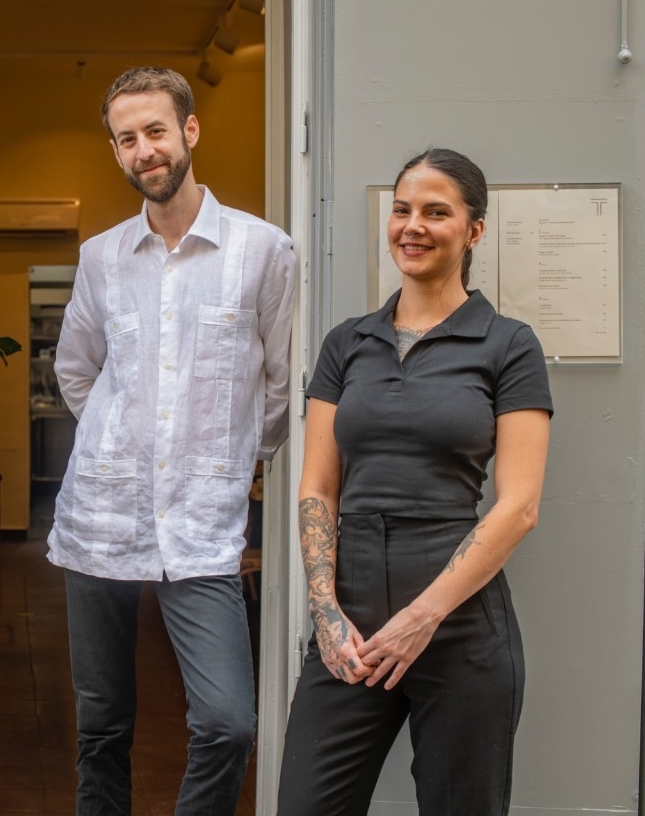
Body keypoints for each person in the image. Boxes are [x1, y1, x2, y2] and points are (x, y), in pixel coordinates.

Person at [49, 66, 297, 815]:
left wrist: (231, 458)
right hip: (101, 515)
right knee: (101, 727)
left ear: (189, 131)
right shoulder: (101, 257)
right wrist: (117, 440)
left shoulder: (263, 250)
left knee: (227, 723)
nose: (142, 150)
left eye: (155, 131)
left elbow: (281, 386)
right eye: (126, 138)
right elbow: (76, 368)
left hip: (204, 524)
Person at [276, 148, 553, 815]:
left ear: (474, 230)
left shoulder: (508, 344)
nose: (414, 225)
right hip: (350, 617)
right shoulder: (347, 343)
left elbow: (518, 507)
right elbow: (317, 486)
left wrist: (423, 617)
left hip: (458, 619)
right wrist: (325, 612)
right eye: (402, 209)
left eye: (437, 211)